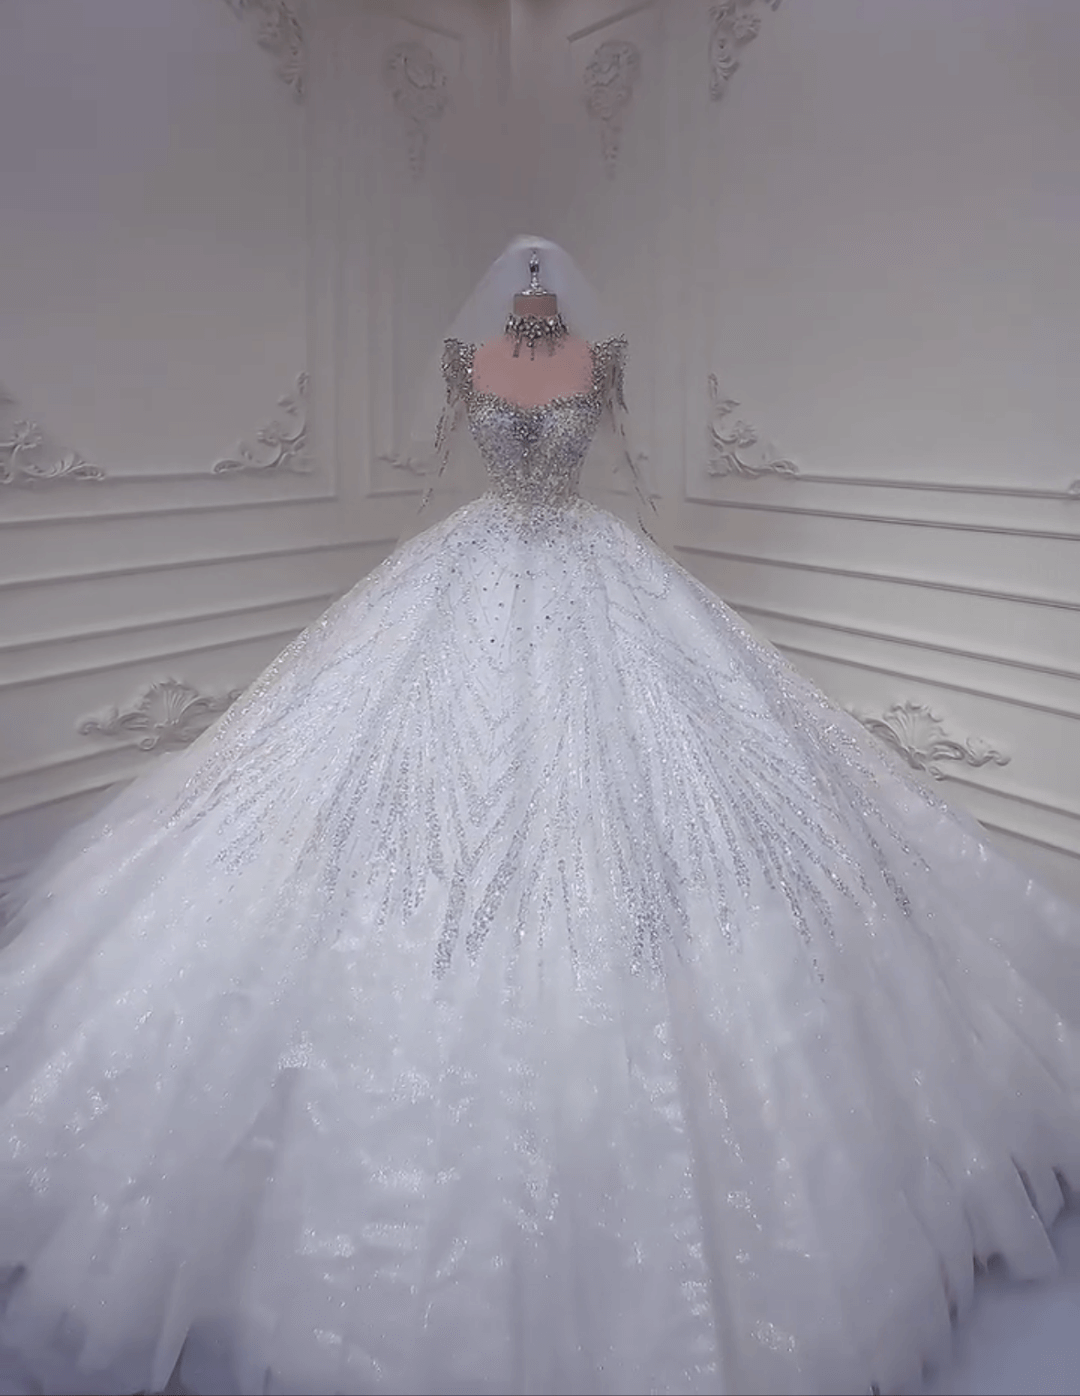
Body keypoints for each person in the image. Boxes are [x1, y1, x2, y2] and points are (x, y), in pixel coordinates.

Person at [0, 236, 1077, 1396]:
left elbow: (629, 471)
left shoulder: (600, 358)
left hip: (594, 573)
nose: (532, 305)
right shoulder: (465, 360)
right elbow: (440, 468)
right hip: (464, 571)